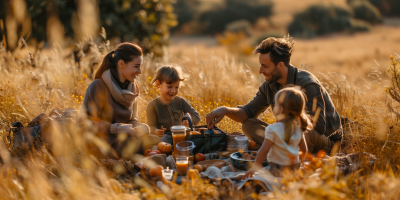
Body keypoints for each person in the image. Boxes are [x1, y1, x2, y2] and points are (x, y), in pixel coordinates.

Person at [206, 36, 342, 154]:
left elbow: (317, 126)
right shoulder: (270, 85)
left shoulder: (307, 84)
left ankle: (276, 148)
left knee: (303, 134)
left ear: (280, 65)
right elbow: (248, 112)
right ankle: (280, 148)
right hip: (289, 133)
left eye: (265, 66)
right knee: (249, 124)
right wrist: (225, 110)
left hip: (323, 139)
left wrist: (284, 126)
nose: (260, 70)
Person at [78, 42, 161, 159]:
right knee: (129, 143)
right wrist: (114, 128)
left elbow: (132, 121)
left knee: (158, 140)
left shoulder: (132, 91)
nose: (140, 71)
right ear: (121, 64)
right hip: (103, 139)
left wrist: (141, 127)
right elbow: (83, 125)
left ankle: (147, 154)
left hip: (125, 137)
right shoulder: (98, 86)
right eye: (136, 66)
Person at [242, 87, 311, 179]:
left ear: (281, 109)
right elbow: (304, 150)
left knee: (263, 176)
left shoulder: (272, 129)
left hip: (277, 169)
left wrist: (253, 169)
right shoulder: (299, 129)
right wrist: (299, 162)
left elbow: (264, 151)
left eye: (275, 105)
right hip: (294, 167)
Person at [146, 66, 201, 143]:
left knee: (195, 139)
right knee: (156, 141)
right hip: (164, 138)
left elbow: (196, 115)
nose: (173, 91)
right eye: (169, 87)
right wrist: (155, 131)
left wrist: (190, 121)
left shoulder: (180, 101)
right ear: (159, 84)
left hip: (181, 135)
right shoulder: (153, 105)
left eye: (176, 87)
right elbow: (150, 126)